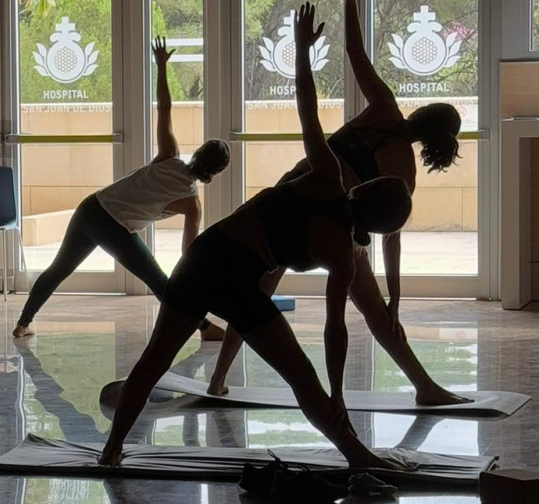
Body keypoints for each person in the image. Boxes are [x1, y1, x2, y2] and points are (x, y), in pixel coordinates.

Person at [100, 4, 403, 470]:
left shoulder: (330, 182)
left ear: (364, 189)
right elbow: (334, 329)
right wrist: (337, 392)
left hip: (214, 264)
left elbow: (309, 112)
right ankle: (359, 457)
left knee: (157, 361)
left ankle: (112, 449)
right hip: (223, 269)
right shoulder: (344, 245)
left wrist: (303, 53)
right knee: (299, 377)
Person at [206, 0, 469, 407]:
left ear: (422, 112)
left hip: (300, 188)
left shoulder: (384, 106)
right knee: (373, 310)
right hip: (337, 222)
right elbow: (390, 236)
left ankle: (218, 380)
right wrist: (395, 297)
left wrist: (350, 4)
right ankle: (423, 387)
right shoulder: (407, 171)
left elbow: (354, 52)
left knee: (256, 289)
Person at [12, 38, 230, 341]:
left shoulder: (170, 156)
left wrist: (162, 67)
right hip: (112, 226)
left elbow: (164, 109)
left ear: (198, 153)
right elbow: (188, 252)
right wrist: (196, 279)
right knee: (157, 280)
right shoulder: (192, 204)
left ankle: (23, 324)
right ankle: (205, 328)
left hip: (90, 208)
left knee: (58, 269)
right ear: (215, 173)